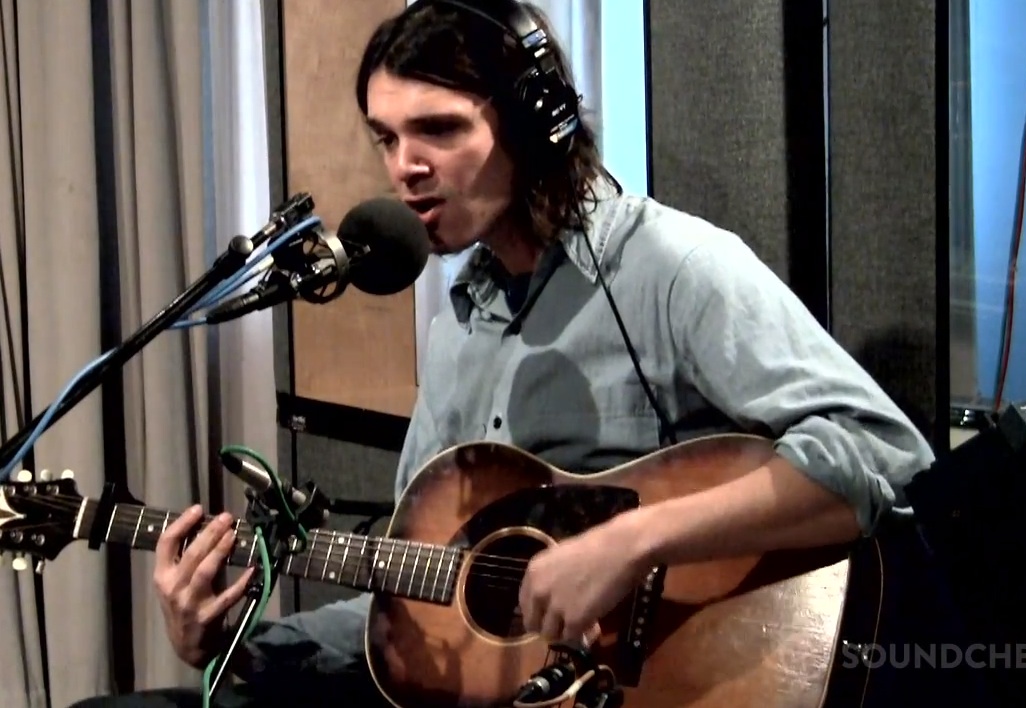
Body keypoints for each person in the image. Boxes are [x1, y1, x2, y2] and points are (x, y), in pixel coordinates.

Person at [70, 1, 938, 706]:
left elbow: (882, 455)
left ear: (537, 124)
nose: (404, 169)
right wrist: (228, 644)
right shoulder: (456, 315)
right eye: (385, 137)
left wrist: (632, 540)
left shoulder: (676, 270)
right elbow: (408, 605)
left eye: (437, 130)